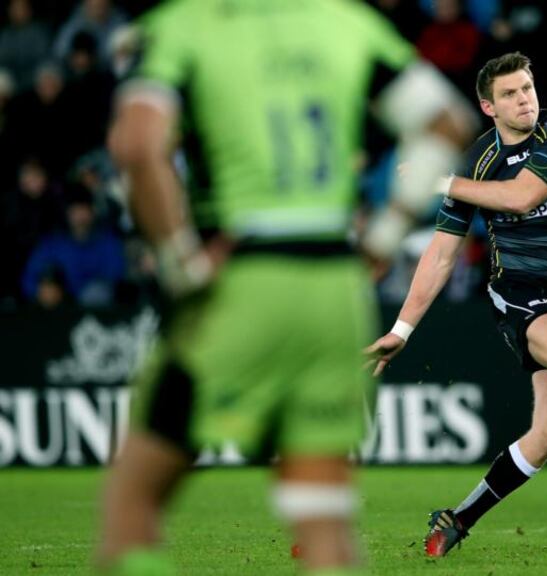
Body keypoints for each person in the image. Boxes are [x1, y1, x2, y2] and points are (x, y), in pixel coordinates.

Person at [96, 1, 473, 574]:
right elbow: (447, 123)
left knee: (132, 510)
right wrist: (384, 235)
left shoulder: (184, 25)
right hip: (333, 292)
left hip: (239, 284)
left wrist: (182, 265)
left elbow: (138, 147)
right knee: (325, 528)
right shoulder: (348, 21)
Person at [364, 52, 547, 558]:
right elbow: (441, 254)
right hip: (519, 289)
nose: (524, 99)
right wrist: (402, 329)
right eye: (510, 94)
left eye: (527, 88)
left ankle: (458, 518)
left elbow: (523, 197)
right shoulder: (477, 164)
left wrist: (436, 180)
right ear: (488, 106)